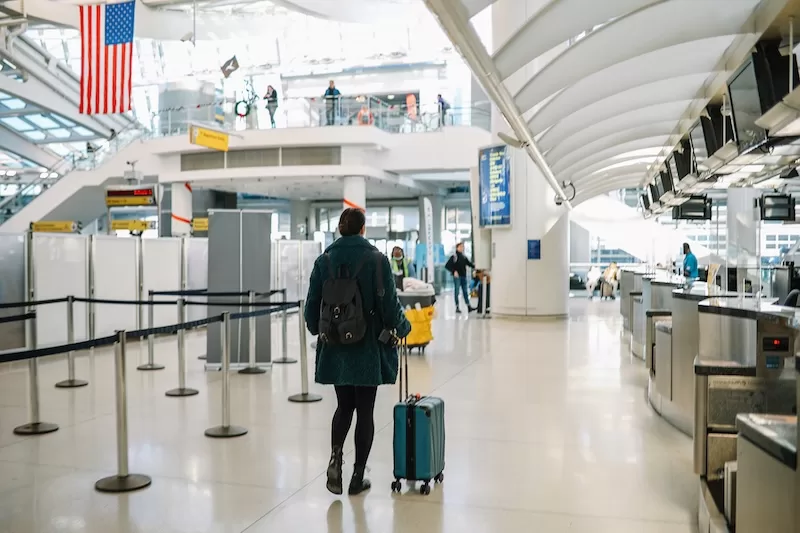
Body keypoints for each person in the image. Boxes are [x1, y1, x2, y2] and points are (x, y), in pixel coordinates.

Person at [304, 208, 411, 496]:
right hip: (367, 348)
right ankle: (357, 477)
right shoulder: (377, 260)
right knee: (365, 410)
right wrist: (404, 327)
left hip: (336, 346)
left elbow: (311, 310)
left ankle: (335, 457)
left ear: (340, 230)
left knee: (343, 407)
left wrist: (319, 330)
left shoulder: (323, 260)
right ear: (363, 229)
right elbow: (390, 306)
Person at [445, 242, 476, 313]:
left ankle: (468, 306)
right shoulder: (454, 257)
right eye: (461, 247)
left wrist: (477, 267)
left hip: (463, 276)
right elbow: (447, 266)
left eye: (463, 247)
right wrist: (454, 271)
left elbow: (469, 264)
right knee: (457, 292)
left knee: (465, 291)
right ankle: (457, 307)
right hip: (457, 277)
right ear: (457, 248)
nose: (462, 248)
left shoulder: (464, 257)